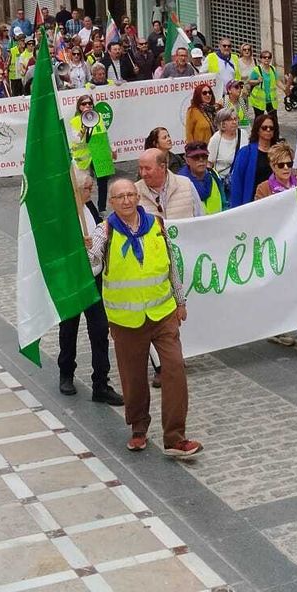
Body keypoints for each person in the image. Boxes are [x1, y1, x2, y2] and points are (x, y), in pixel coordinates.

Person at [90, 178, 203, 460]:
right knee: (134, 378)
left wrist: (180, 301)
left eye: (130, 194)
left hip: (163, 314)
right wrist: (87, 250)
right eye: (120, 197)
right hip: (126, 319)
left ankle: (175, 437)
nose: (127, 200)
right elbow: (93, 265)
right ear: (112, 203)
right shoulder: (104, 231)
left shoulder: (157, 225)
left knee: (174, 369)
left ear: (137, 197)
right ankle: (139, 428)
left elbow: (171, 266)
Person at [57, 166, 125, 404]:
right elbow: (57, 249)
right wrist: (77, 245)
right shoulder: (64, 215)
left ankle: (101, 383)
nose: (91, 191)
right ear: (75, 191)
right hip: (73, 280)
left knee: (99, 330)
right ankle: (66, 372)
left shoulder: (90, 208)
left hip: (93, 277)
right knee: (69, 329)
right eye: (87, 188)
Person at [257, 142, 297, 363]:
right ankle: (278, 327)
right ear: (272, 166)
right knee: (281, 292)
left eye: (289, 164)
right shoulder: (264, 189)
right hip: (277, 249)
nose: (285, 168)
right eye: (280, 164)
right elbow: (258, 217)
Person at [228, 112, 282, 209]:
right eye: (264, 128)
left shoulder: (279, 152)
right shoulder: (245, 153)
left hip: (276, 203)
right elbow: (237, 184)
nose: (268, 130)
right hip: (253, 204)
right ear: (258, 130)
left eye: (271, 128)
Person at [69, 94, 116, 207]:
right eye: (84, 103)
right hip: (84, 158)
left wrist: (113, 149)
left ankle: (102, 208)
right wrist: (84, 126)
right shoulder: (75, 121)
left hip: (99, 154)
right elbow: (77, 140)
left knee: (103, 182)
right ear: (79, 106)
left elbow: (105, 134)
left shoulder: (98, 117)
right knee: (84, 185)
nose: (88, 105)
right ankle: (90, 209)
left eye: (90, 103)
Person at [136, 147, 198, 219]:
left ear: (162, 167)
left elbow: (200, 218)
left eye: (148, 168)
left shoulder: (186, 185)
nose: (143, 173)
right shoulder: (134, 191)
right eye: (141, 168)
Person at [180, 142, 226, 215]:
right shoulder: (180, 183)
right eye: (196, 157)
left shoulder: (213, 175)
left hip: (218, 223)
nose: (201, 160)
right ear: (187, 160)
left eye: (204, 156)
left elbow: (224, 203)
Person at [207, 108, 241, 181]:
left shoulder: (243, 134)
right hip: (224, 181)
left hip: (242, 178)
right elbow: (209, 163)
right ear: (222, 123)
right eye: (230, 120)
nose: (234, 122)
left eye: (235, 119)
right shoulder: (215, 139)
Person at [248, 48, 285, 116]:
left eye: (269, 57)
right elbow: (249, 81)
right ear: (261, 59)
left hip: (270, 100)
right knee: (259, 119)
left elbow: (277, 81)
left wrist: (285, 89)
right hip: (259, 100)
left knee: (273, 119)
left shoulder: (272, 69)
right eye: (264, 57)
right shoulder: (257, 70)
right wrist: (257, 81)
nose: (267, 59)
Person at [184, 84, 218, 148]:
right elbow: (189, 134)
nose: (208, 95)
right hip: (201, 151)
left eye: (210, 92)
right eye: (204, 93)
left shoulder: (215, 110)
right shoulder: (193, 111)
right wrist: (193, 150)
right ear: (198, 95)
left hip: (216, 148)